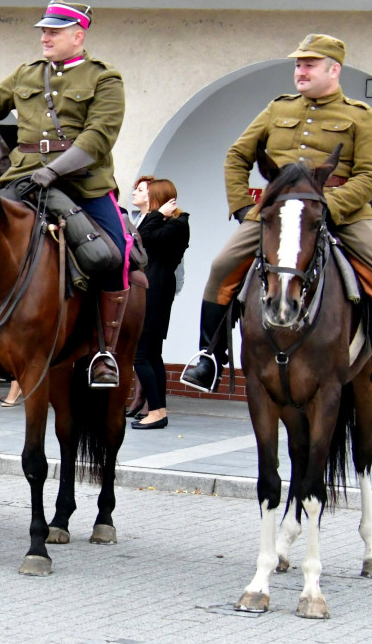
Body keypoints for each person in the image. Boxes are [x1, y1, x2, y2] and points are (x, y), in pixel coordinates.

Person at [181, 34, 372, 392]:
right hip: (278, 213)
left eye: (309, 64)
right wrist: (243, 207)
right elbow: (238, 155)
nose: (300, 71)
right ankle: (210, 356)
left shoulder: (359, 116)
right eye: (299, 64)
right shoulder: (277, 109)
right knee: (222, 265)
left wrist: (330, 206)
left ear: (334, 70)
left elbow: (368, 175)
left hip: (337, 211)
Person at [0, 0, 131, 388]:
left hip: (82, 184)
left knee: (117, 255)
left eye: (54, 32)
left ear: (78, 35)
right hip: (21, 181)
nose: (45, 37)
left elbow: (98, 136)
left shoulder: (103, 78)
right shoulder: (27, 73)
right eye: (43, 30)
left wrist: (53, 171)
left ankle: (103, 350)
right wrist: (7, 166)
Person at [129, 177, 189, 430]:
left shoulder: (177, 224)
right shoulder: (164, 222)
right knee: (151, 354)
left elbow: (141, 239)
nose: (135, 192)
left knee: (143, 354)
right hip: (150, 291)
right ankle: (158, 410)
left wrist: (157, 214)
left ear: (156, 197)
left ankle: (156, 411)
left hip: (156, 293)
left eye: (142, 191)